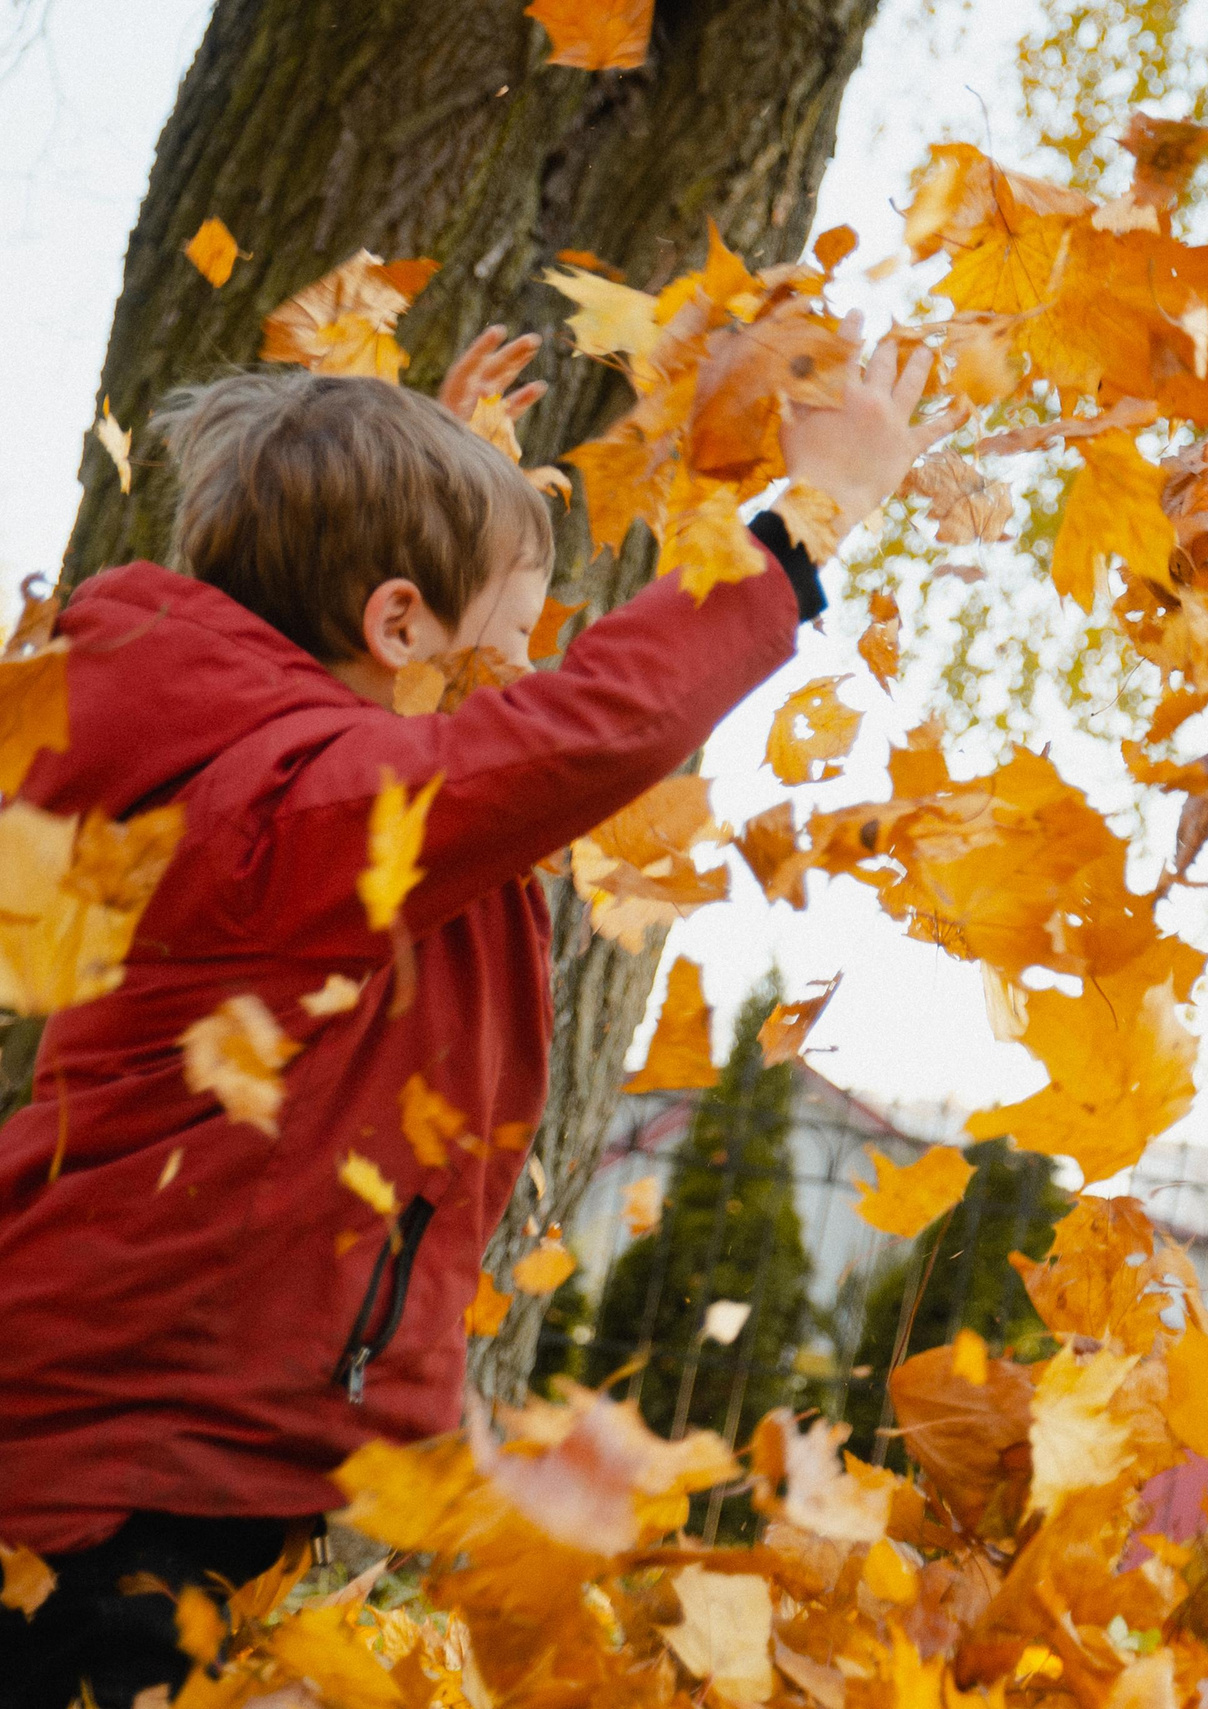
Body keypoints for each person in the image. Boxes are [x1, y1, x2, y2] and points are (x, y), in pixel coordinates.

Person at [0, 319, 957, 1709]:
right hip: (111, 1490)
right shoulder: (290, 811)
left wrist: (455, 504)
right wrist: (806, 522)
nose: (524, 685)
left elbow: (471, 735)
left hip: (165, 1463)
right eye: (508, 644)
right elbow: (574, 737)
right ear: (395, 626)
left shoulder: (274, 776)